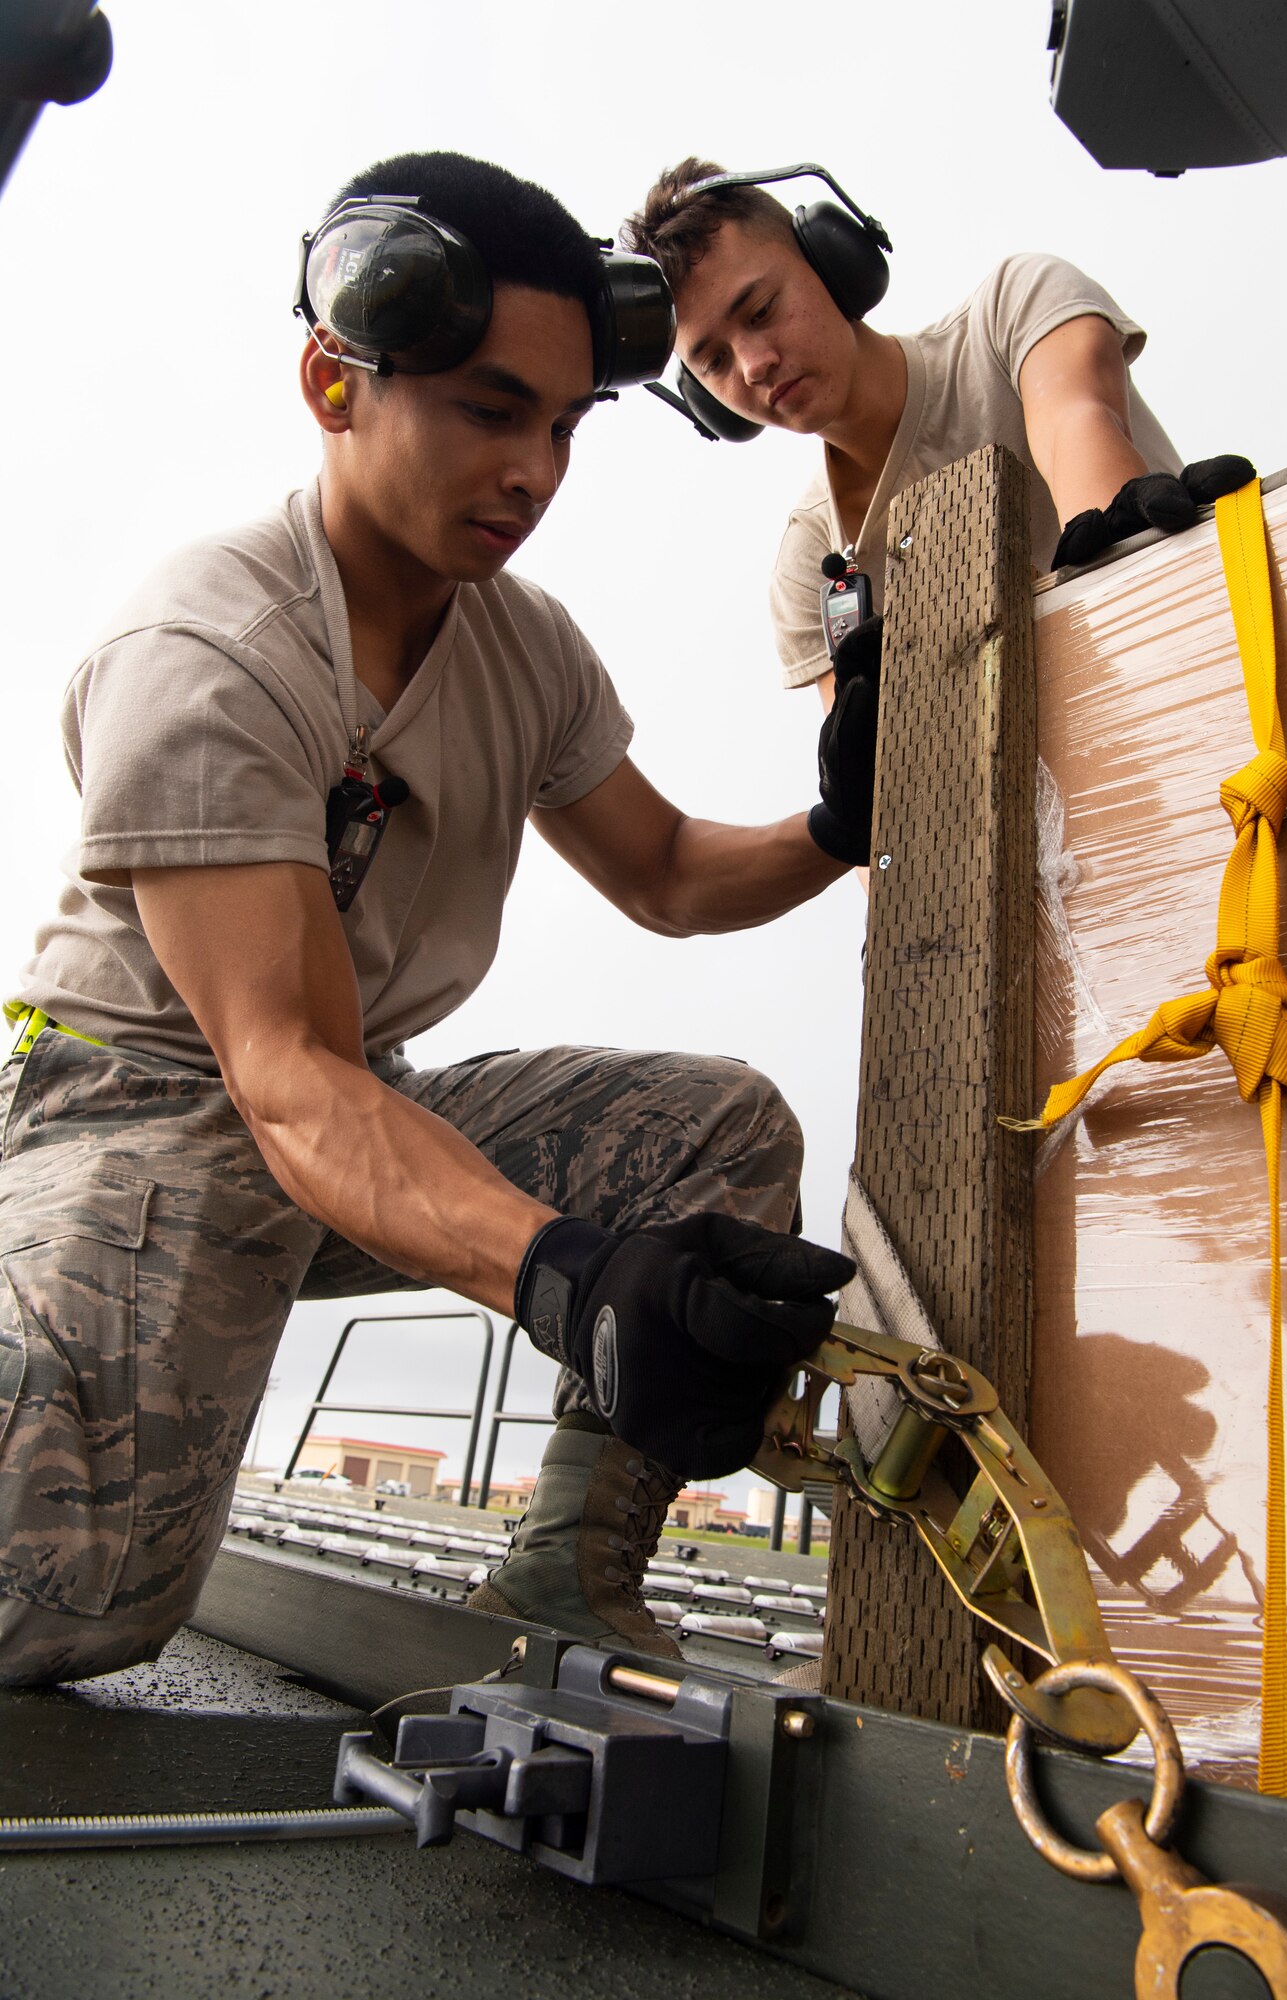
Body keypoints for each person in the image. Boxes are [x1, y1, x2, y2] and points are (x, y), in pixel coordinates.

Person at [0, 151, 869, 1686]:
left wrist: (835, 828)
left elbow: (663, 871)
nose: (533, 470)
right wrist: (570, 1279)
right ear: (335, 385)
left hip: (357, 1099)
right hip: (137, 1117)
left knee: (713, 1135)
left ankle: (562, 1582)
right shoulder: (213, 648)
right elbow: (274, 1077)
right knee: (77, 1592)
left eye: (562, 424)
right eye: (485, 410)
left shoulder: (523, 649)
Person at [623, 159, 1254, 714]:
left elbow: (1076, 423)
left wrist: (1113, 530)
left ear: (832, 263)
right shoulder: (807, 568)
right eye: (713, 362)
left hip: (1208, 683)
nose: (753, 365)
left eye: (760, 312)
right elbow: (880, 803)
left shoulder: (1014, 309)